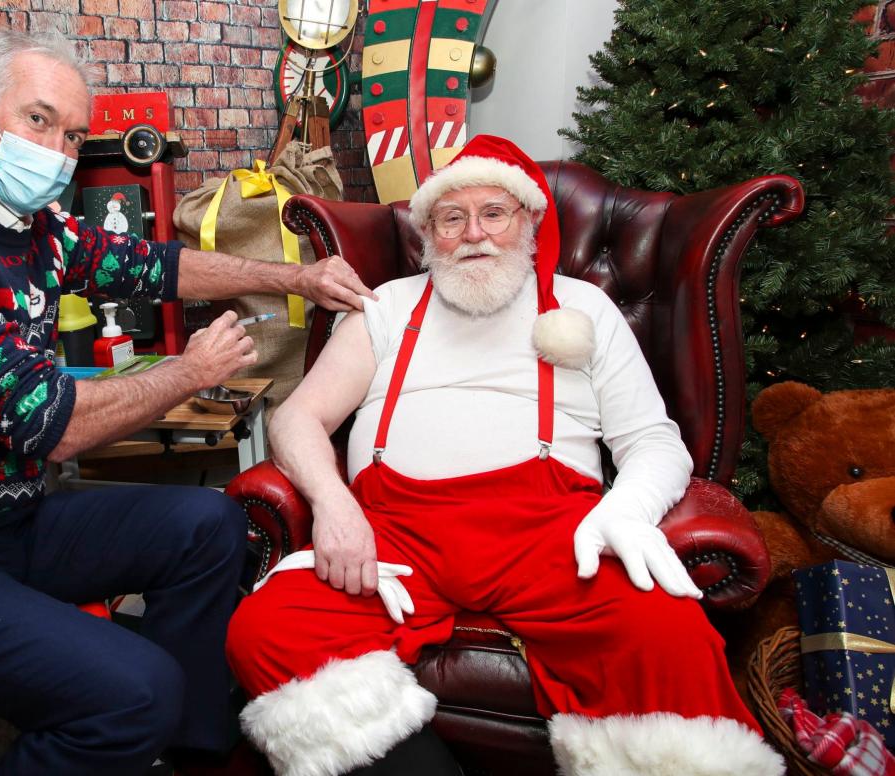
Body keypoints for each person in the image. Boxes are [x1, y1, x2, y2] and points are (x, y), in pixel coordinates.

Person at [0, 30, 374, 776]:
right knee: (133, 691)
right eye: (40, 122)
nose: (60, 152)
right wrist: (188, 372)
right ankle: (136, 718)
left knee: (207, 522)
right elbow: (51, 425)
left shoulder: (33, 228)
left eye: (72, 135)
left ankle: (187, 750)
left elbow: (155, 266)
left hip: (2, 522)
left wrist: (295, 279)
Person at [224, 135, 784, 776]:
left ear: (528, 222)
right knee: (266, 630)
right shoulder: (387, 307)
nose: (473, 233)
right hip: (396, 540)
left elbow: (653, 441)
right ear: (428, 232)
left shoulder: (581, 308)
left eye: (494, 213)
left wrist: (625, 513)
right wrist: (332, 504)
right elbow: (298, 416)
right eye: (451, 217)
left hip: (551, 538)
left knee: (668, 637)